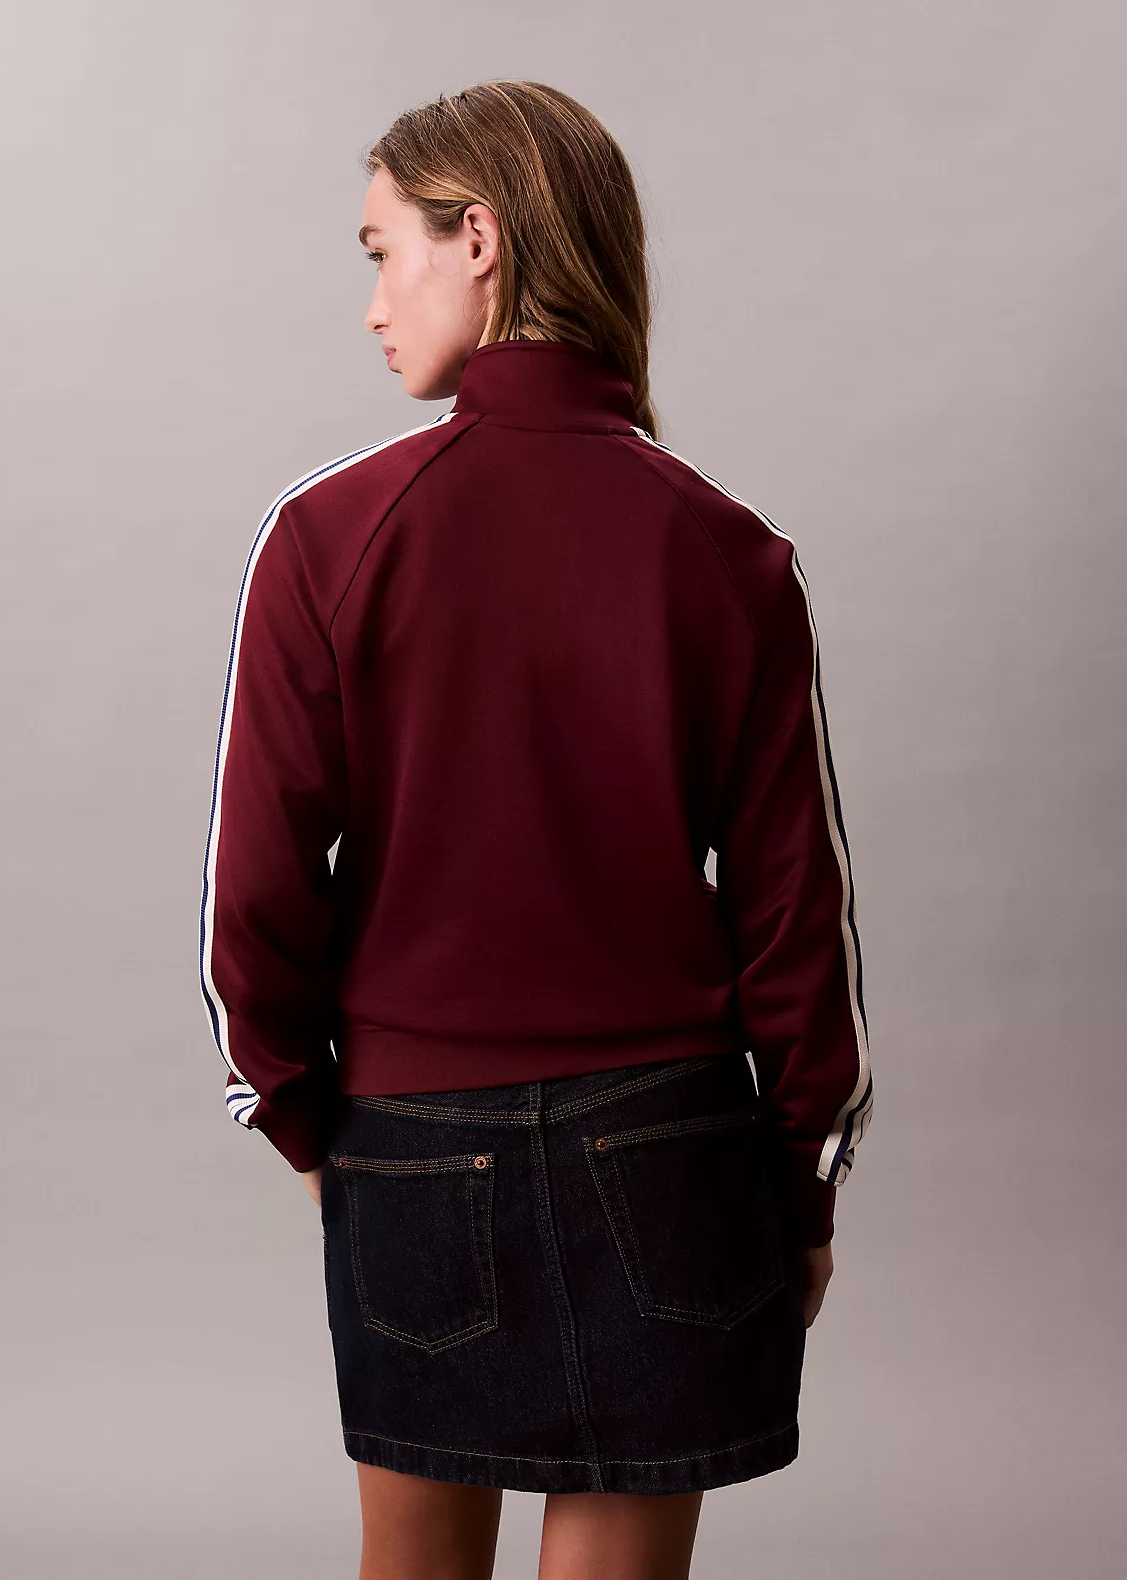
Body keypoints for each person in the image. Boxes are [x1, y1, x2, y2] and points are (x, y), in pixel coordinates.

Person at [199, 79, 873, 1580]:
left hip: (415, 1141)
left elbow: (255, 895)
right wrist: (800, 1177)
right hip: (681, 1151)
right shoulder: (731, 551)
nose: (374, 303)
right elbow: (793, 914)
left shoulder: (328, 536)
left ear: (481, 238)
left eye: (384, 251)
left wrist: (307, 1116)